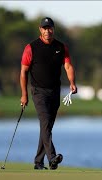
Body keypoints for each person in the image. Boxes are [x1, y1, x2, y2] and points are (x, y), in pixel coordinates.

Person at [20, 17, 77, 170]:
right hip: (38, 92)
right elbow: (24, 72)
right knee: (45, 124)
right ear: (40, 30)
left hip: (55, 92)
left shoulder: (61, 47)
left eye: (49, 28)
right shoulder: (31, 47)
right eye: (44, 28)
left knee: (47, 128)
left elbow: (68, 66)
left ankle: (39, 162)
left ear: (53, 29)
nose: (47, 31)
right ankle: (52, 157)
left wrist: (72, 83)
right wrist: (24, 94)